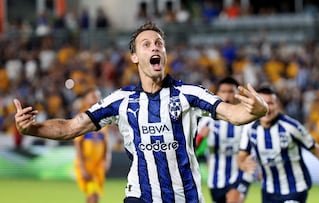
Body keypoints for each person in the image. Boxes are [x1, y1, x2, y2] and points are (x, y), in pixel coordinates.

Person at [13, 21, 268, 203]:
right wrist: (31, 129)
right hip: (140, 195)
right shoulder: (121, 101)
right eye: (146, 44)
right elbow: (71, 127)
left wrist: (257, 111)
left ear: (165, 53)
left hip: (185, 197)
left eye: (159, 44)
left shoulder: (189, 94)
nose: (155, 48)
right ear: (135, 57)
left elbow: (233, 114)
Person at [237, 85, 319, 203]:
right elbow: (242, 157)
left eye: (271, 103)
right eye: (263, 103)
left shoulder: (291, 126)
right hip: (269, 191)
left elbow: (315, 150)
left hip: (295, 189)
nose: (267, 107)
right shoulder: (250, 128)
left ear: (278, 105)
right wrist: (245, 166)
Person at [196, 77, 253, 203]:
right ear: (217, 94)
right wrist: (200, 137)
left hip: (240, 174)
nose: (227, 95)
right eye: (223, 91)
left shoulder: (247, 119)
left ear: (238, 95)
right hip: (216, 180)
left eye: (231, 91)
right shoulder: (207, 120)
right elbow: (192, 149)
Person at [74, 88, 111, 203]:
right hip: (87, 163)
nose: (96, 99)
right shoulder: (82, 118)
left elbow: (105, 143)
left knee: (94, 197)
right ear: (86, 99)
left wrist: (106, 160)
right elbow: (78, 143)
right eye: (93, 96)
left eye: (98, 96)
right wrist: (82, 166)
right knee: (93, 196)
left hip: (98, 165)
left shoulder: (103, 119)